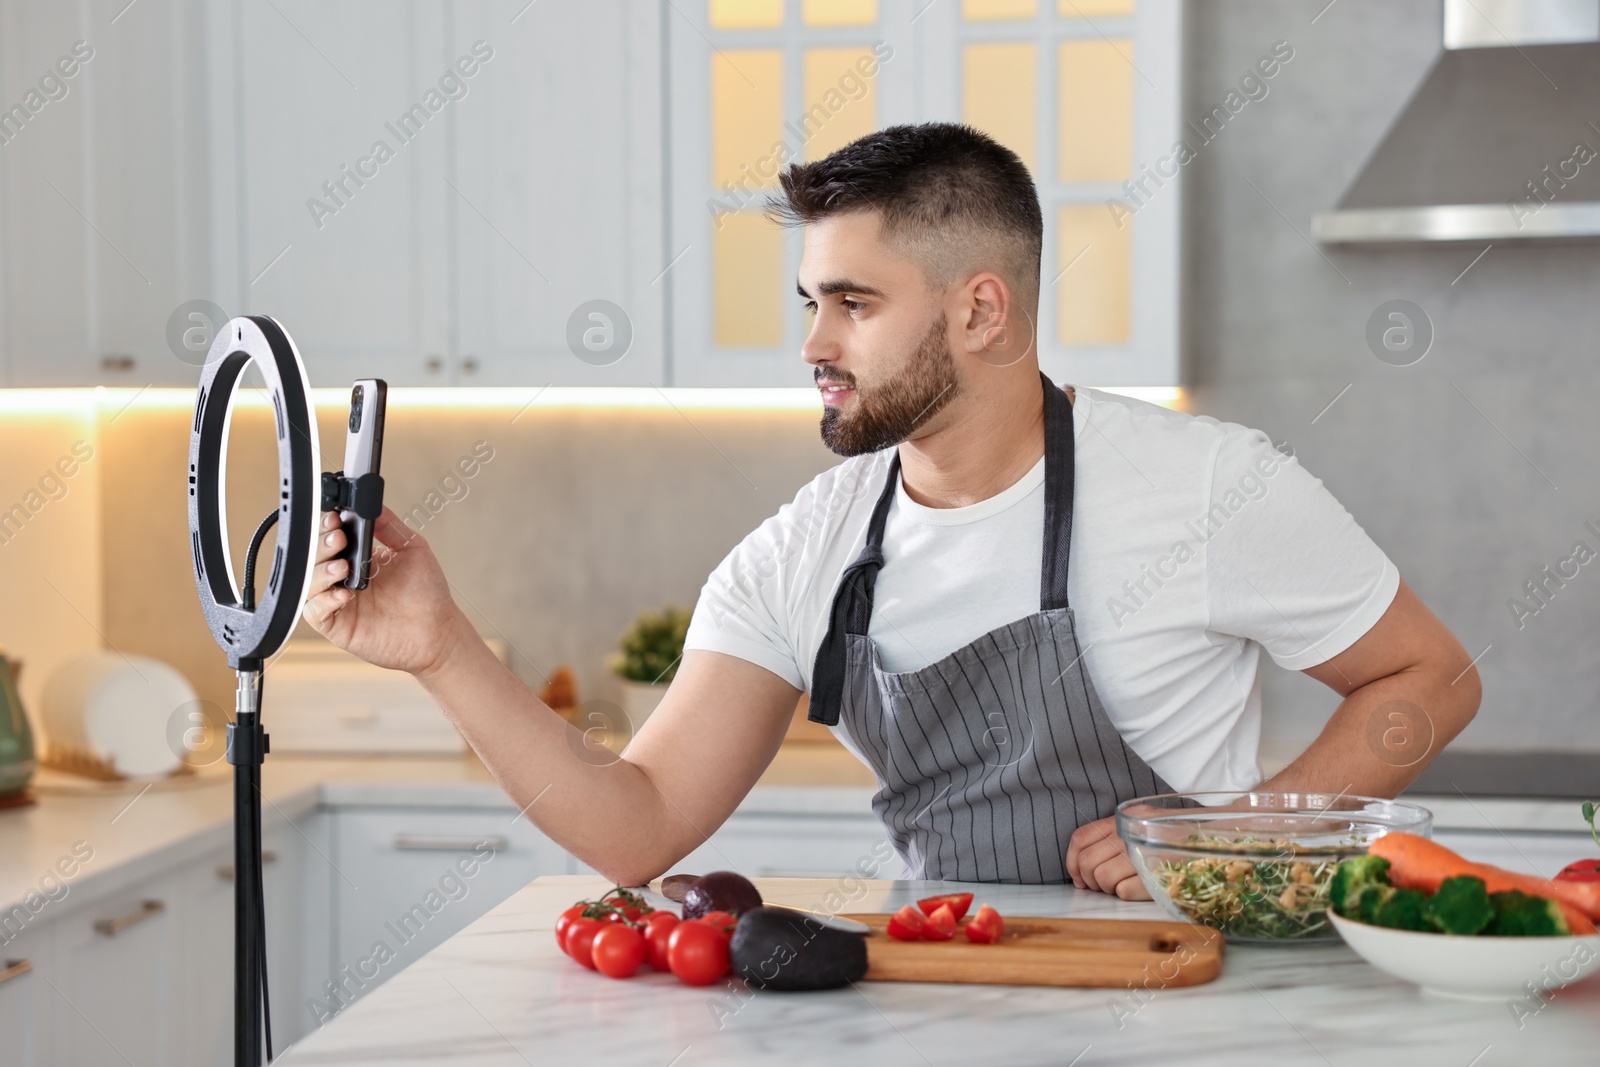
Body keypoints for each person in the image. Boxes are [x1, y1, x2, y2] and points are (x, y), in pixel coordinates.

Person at [304, 123, 1479, 899]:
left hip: (1171, 998)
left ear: (982, 311)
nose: (813, 344)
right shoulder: (809, 545)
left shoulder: (1208, 485)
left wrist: (1240, 837)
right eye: (811, 301)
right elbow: (639, 825)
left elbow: (1429, 676)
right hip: (932, 996)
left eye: (853, 303)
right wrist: (440, 649)